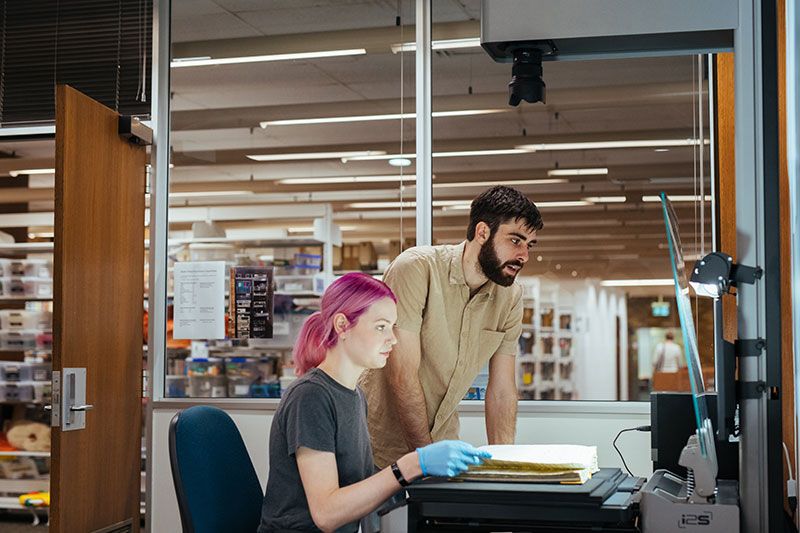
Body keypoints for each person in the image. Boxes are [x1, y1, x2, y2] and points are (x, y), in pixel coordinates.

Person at [258, 273, 490, 533]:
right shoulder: (311, 397)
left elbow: (362, 488)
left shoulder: (355, 395)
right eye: (381, 327)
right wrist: (413, 464)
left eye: (393, 326)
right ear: (342, 325)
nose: (393, 339)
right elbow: (326, 514)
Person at [360, 185, 543, 469]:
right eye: (516, 241)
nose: (524, 256)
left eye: (529, 245)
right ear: (482, 232)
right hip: (377, 448)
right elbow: (402, 375)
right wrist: (426, 459)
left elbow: (503, 390)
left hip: (441, 444)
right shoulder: (416, 269)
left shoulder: (510, 297)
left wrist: (505, 467)